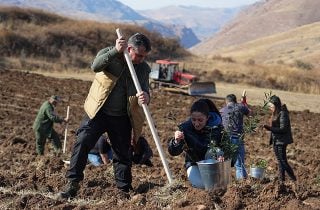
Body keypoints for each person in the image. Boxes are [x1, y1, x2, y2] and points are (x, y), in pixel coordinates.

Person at [58, 32, 151, 199]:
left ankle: (124, 190)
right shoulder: (110, 54)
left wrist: (146, 96)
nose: (141, 59)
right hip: (98, 111)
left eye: (144, 56)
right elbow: (95, 66)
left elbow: (145, 89)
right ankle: (72, 183)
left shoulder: (143, 68)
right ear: (129, 49)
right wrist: (115, 50)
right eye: (139, 55)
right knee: (82, 141)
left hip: (122, 116)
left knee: (123, 153)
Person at [168, 99, 224, 189]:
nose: (196, 123)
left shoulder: (217, 129)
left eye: (200, 120)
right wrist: (176, 141)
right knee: (201, 185)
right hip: (193, 163)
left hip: (212, 163)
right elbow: (173, 152)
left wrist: (222, 156)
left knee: (214, 185)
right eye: (193, 120)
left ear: (208, 117)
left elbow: (226, 148)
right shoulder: (185, 129)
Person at [263, 95, 296, 185]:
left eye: (271, 106)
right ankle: (281, 182)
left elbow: (283, 129)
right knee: (280, 161)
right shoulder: (276, 113)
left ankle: (294, 180)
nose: (270, 108)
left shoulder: (283, 113)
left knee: (283, 162)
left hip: (281, 141)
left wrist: (270, 128)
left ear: (276, 105)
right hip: (276, 140)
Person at [220, 94, 250, 180]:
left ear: (226, 102)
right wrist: (244, 103)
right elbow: (251, 114)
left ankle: (223, 182)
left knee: (224, 164)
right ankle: (241, 186)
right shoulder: (241, 107)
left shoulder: (222, 111)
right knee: (239, 164)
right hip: (237, 139)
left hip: (226, 139)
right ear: (235, 101)